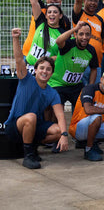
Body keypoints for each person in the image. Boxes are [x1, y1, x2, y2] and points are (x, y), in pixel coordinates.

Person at [5, 28, 69, 169]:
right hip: (15, 125)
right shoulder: (26, 79)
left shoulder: (52, 93)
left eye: (48, 69)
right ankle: (28, 156)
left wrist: (64, 134)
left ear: (52, 73)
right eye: (42, 68)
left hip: (35, 125)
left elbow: (60, 116)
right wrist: (16, 38)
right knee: (31, 117)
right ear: (35, 69)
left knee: (58, 131)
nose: (44, 71)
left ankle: (32, 146)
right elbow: (18, 59)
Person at [24, 0, 66, 73]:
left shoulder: (64, 23)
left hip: (46, 68)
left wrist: (53, 59)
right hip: (29, 57)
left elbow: (65, 49)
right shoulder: (41, 15)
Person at [48, 22, 99, 107]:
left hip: (75, 86)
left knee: (83, 107)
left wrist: (90, 86)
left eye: (87, 34)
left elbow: (94, 69)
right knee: (56, 111)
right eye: (81, 34)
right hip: (58, 84)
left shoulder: (91, 50)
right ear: (75, 35)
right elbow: (58, 41)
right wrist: (75, 28)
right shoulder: (69, 44)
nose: (84, 37)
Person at [73, 0, 104, 83]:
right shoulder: (79, 14)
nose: (93, 3)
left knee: (92, 95)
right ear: (84, 1)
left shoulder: (100, 19)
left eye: (95, 1)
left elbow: (101, 39)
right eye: (90, 0)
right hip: (79, 62)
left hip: (96, 65)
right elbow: (77, 0)